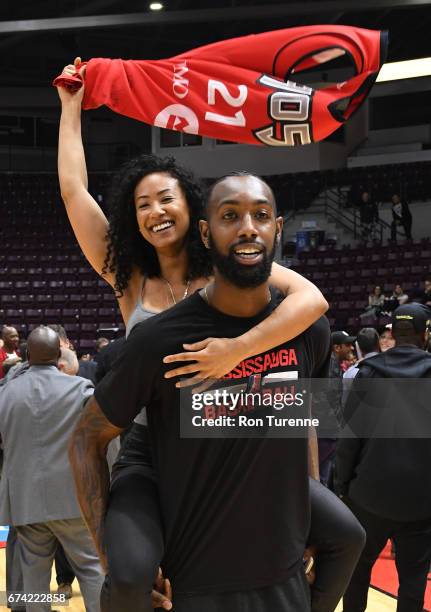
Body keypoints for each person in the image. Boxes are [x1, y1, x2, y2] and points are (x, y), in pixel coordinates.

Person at [69, 173, 365, 612]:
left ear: (277, 229)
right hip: (155, 449)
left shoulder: (304, 328)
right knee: (129, 580)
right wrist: (106, 552)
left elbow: (301, 422)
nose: (248, 227)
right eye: (230, 216)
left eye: (261, 216)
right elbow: (84, 439)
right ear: (205, 233)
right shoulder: (158, 331)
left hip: (256, 453)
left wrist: (301, 503)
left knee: (349, 536)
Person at [0, 326, 104, 612]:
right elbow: (100, 439)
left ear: (26, 354)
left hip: (24, 500)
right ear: (59, 353)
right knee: (92, 569)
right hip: (74, 497)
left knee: (33, 577)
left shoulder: (5, 393)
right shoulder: (81, 389)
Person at [336, 303, 431, 612]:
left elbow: (350, 439)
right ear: (424, 333)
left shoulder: (369, 372)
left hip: (369, 495)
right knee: (414, 578)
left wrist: (343, 488)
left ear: (391, 334)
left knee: (358, 571)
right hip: (421, 499)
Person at [342, 327, 380, 406]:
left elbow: (344, 403)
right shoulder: (393, 367)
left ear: (358, 348)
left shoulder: (349, 373)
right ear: (378, 343)